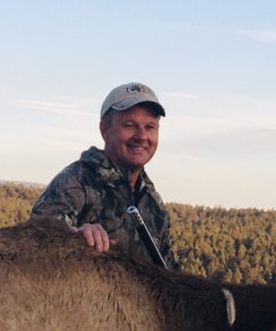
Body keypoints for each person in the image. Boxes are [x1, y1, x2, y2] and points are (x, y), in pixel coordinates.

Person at [31, 82, 178, 270]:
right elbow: (36, 241)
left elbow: (168, 271)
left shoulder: (152, 201)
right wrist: (74, 235)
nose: (142, 136)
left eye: (150, 127)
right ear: (105, 131)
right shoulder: (76, 182)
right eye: (130, 125)